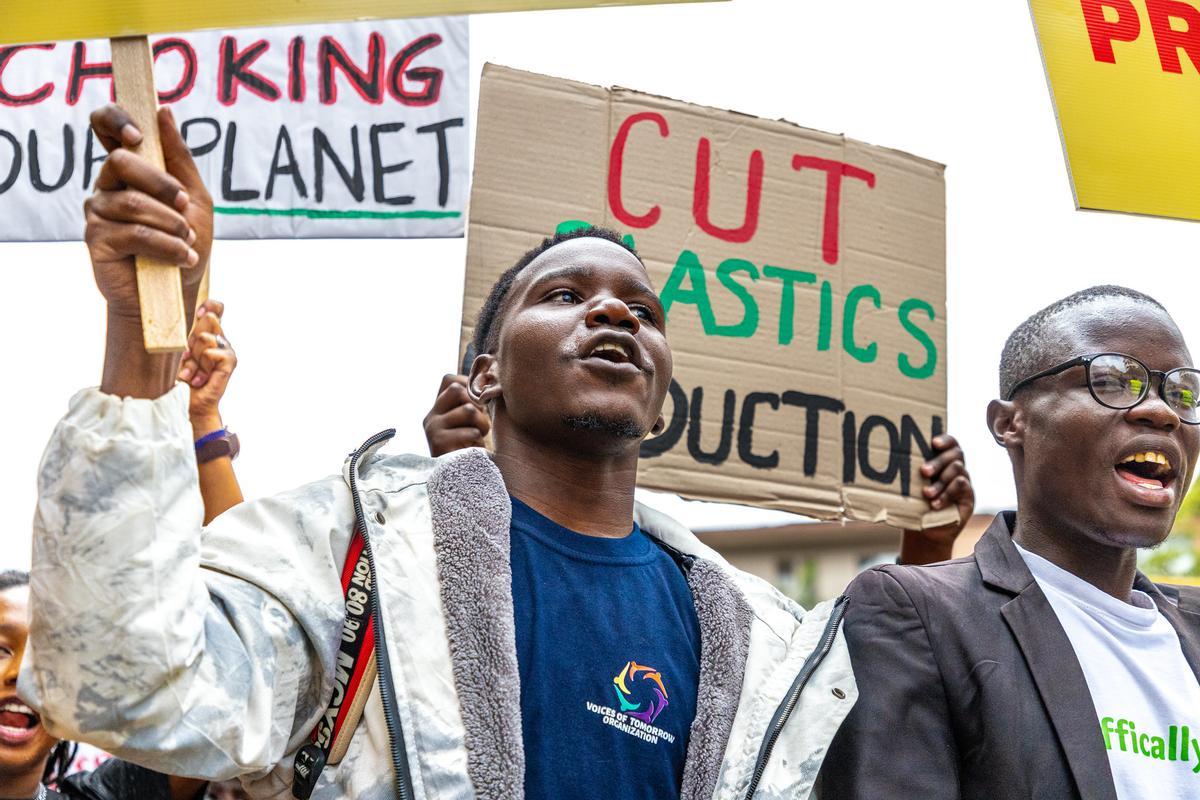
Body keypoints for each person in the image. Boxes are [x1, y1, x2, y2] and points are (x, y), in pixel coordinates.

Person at [21, 104, 971, 800]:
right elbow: (124, 686)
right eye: (562, 296)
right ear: (483, 378)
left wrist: (927, 557)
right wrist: (141, 350)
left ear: (662, 382)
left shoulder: (761, 637)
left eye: (641, 310)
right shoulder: (351, 548)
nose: (611, 312)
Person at [816, 286, 1200, 799]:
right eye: (1112, 379)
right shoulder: (917, 613)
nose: (1163, 412)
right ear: (1009, 423)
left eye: (1184, 392)